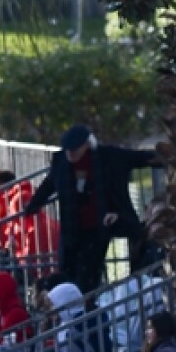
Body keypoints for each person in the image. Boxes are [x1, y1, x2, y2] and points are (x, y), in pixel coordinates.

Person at [22, 124, 158, 295]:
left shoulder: (107, 158)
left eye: (75, 149)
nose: (71, 154)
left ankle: (87, 303)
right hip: (72, 228)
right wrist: (33, 205)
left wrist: (167, 157)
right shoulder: (61, 163)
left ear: (86, 145)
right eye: (68, 150)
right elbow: (48, 185)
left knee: (89, 275)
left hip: (98, 227)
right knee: (68, 271)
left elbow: (138, 158)